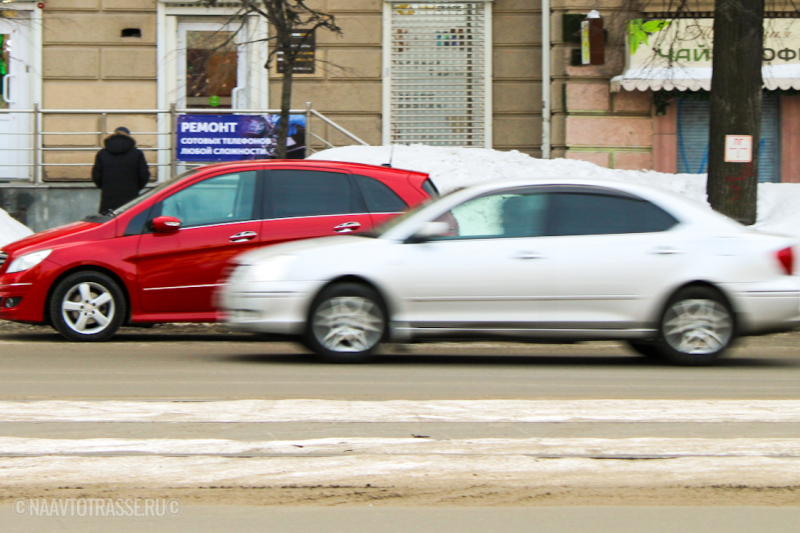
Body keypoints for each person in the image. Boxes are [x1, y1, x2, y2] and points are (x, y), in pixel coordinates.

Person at [92, 126, 150, 214]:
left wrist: (106, 187)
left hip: (108, 198)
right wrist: (135, 188)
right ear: (129, 137)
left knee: (109, 223)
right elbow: (144, 175)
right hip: (131, 197)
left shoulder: (102, 153)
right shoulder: (137, 153)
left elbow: (96, 176)